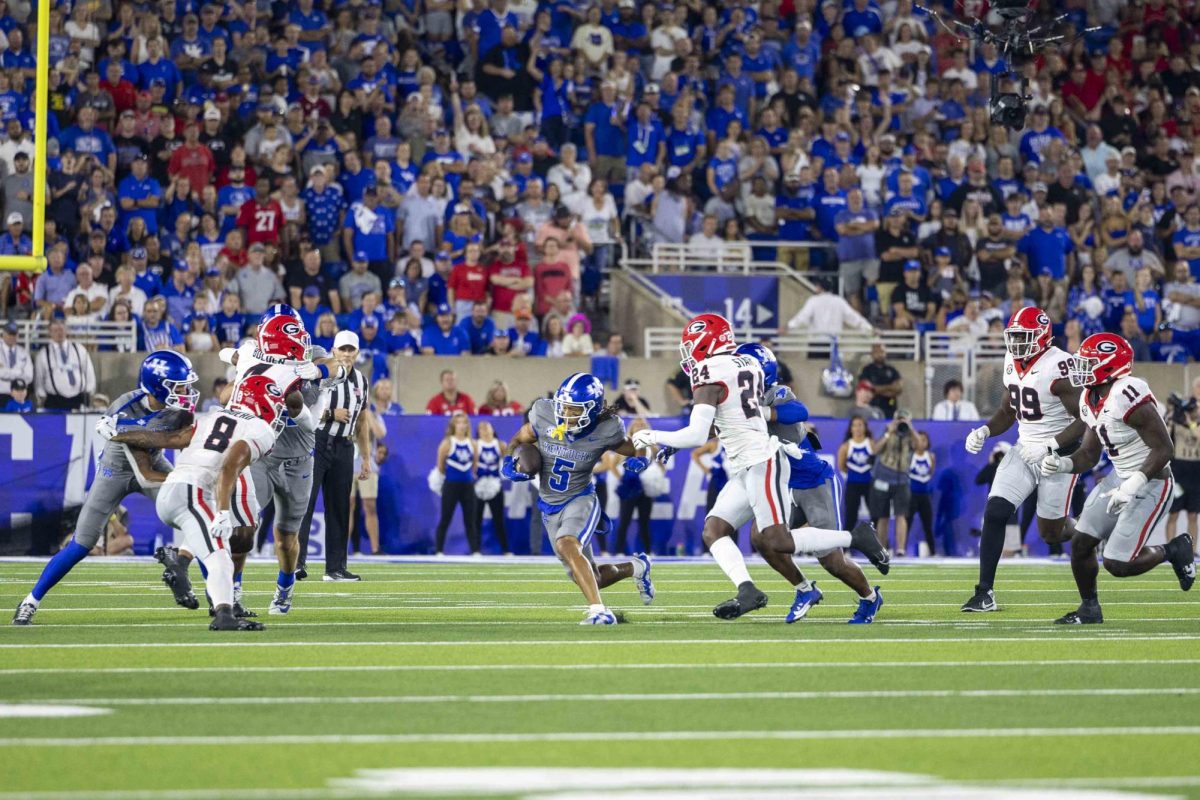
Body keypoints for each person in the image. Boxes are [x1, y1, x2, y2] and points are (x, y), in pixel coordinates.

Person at [632, 314, 888, 620]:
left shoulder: (760, 388)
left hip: (796, 475)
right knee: (721, 530)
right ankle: (760, 589)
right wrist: (675, 442)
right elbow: (724, 422)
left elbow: (797, 410)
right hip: (757, 468)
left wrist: (653, 435)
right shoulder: (744, 373)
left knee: (808, 551)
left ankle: (858, 548)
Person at [13, 352, 198, 625]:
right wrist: (183, 477)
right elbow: (145, 473)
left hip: (154, 459)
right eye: (178, 386)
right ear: (159, 386)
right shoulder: (125, 409)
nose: (186, 392)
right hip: (117, 470)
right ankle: (31, 600)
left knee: (198, 518)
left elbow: (180, 441)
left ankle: (217, 600)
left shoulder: (178, 410)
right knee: (82, 543)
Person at [1040, 333, 1195, 624]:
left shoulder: (1127, 393)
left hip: (1151, 483)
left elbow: (1164, 449)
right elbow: (1088, 454)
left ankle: (1172, 550)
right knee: (1082, 543)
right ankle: (1089, 609)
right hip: (1118, 478)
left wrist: (1133, 485)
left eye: (1089, 363)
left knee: (1118, 563)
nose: (1081, 368)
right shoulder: (1090, 397)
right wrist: (1060, 464)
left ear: (1110, 365)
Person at [114, 375, 286, 632]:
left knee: (218, 550)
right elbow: (230, 465)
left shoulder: (212, 416)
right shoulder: (260, 429)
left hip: (174, 490)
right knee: (220, 557)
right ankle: (225, 615)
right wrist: (224, 512)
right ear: (262, 402)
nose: (278, 410)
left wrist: (119, 433)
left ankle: (180, 562)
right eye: (276, 403)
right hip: (192, 493)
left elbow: (167, 440)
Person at [743, 343, 884, 625]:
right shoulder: (740, 403)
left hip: (813, 481)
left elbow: (799, 411)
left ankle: (870, 596)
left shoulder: (776, 393)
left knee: (831, 560)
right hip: (784, 487)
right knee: (761, 537)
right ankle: (804, 590)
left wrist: (762, 412)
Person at [503, 373, 656, 624]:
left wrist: (643, 458)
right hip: (549, 505)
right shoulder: (544, 413)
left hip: (581, 498)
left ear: (592, 410)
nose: (566, 415)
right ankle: (636, 567)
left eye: (574, 410)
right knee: (590, 577)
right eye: (563, 407)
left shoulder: (605, 429)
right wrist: (510, 460)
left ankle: (599, 612)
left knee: (567, 544)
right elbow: (520, 438)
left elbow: (637, 445)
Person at [962, 307, 1087, 613]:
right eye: (1014, 336)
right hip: (1023, 448)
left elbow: (1086, 417)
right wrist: (986, 430)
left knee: (1050, 533)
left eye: (1023, 336)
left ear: (1042, 337)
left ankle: (1090, 528)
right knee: (995, 512)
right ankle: (984, 593)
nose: (1017, 343)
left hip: (1058, 454)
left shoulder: (1058, 366)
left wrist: (1050, 445)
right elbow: (1009, 410)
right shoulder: (1011, 361)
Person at [299, 331, 372, 582]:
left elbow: (362, 421)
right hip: (317, 443)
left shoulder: (362, 381)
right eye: (343, 349)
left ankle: (336, 568)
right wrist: (330, 414)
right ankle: (296, 563)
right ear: (333, 351)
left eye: (351, 350)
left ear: (358, 352)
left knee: (340, 509)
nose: (347, 354)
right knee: (305, 505)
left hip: (345, 446)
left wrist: (365, 457)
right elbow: (301, 409)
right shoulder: (321, 374)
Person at [869, 409, 916, 556]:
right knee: (883, 516)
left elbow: (920, 446)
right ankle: (882, 549)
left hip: (901, 479)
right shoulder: (885, 431)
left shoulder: (910, 434)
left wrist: (911, 429)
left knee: (901, 515)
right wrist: (889, 432)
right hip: (883, 477)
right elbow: (875, 449)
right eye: (899, 420)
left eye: (904, 420)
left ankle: (900, 549)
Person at [435, 412, 480, 555]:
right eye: (458, 423)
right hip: (451, 485)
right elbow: (441, 465)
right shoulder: (447, 442)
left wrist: (468, 477)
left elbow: (474, 465)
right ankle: (439, 550)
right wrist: (451, 476)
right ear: (453, 425)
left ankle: (475, 550)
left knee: (470, 519)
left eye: (464, 423)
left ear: (467, 425)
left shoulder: (472, 443)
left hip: (468, 486)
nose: (462, 426)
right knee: (445, 517)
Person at [612, 419, 656, 555]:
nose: (639, 427)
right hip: (629, 488)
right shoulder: (625, 445)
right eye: (636, 425)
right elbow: (613, 464)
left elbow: (660, 464)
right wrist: (622, 479)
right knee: (624, 520)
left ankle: (648, 551)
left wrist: (655, 478)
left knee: (644, 521)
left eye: (642, 425)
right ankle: (619, 551)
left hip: (645, 488)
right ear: (631, 428)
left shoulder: (652, 446)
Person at [34, 320, 97, 412]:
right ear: (50, 332)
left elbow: (89, 372)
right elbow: (39, 379)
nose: (59, 333)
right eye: (55, 330)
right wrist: (41, 396)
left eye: (61, 329)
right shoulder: (43, 354)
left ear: (67, 330)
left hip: (79, 399)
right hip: (55, 401)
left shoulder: (79, 349)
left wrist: (88, 392)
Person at [474, 420, 509, 555]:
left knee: (499, 519)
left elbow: (506, 463)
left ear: (493, 430)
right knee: (476, 519)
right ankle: (475, 549)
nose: (485, 431)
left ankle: (505, 549)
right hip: (479, 485)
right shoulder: (476, 445)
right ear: (478, 432)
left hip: (495, 485)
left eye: (487, 428)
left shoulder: (500, 445)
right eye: (481, 429)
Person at [838, 415, 875, 530]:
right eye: (855, 425)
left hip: (869, 485)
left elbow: (877, 463)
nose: (858, 428)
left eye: (860, 425)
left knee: (876, 515)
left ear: (865, 428)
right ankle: (846, 546)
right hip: (853, 485)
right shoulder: (846, 446)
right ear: (851, 428)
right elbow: (841, 465)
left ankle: (880, 543)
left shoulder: (872, 443)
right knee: (851, 516)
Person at [907, 430, 936, 557]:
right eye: (918, 439)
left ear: (927, 442)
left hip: (925, 495)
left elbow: (930, 473)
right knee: (907, 523)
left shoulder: (930, 457)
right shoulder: (910, 456)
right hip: (911, 494)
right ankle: (900, 549)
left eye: (924, 439)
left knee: (928, 525)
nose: (921, 442)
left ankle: (933, 552)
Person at [857, 342, 902, 419]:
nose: (879, 354)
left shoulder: (891, 370)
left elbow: (898, 388)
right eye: (877, 352)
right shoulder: (867, 370)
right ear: (872, 354)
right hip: (871, 409)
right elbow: (866, 389)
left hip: (890, 408)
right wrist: (890, 388)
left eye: (882, 352)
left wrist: (877, 390)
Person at [0, 320, 32, 406]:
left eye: (14, 334)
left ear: (18, 335)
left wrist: (6, 374)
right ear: (3, 334)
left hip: (19, 397)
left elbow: (29, 376)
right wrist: (19, 372)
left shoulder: (24, 352)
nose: (12, 337)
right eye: (9, 334)